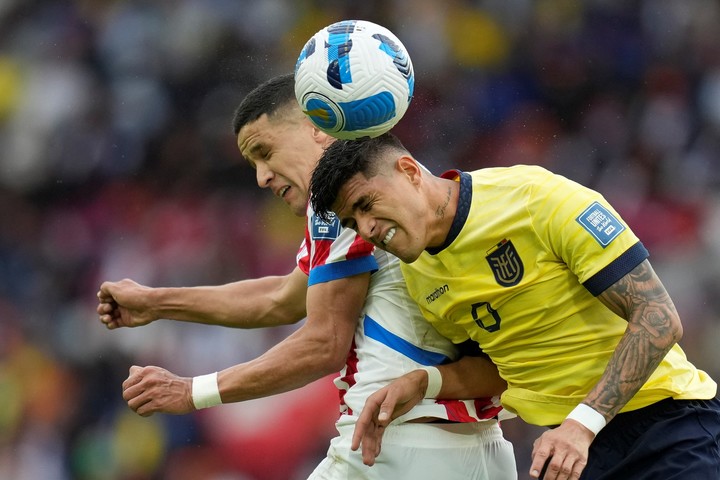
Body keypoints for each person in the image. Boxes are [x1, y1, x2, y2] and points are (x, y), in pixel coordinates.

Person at [96, 74, 517, 479]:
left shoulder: (346, 199)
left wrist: (193, 391)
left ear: (316, 127)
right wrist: (157, 303)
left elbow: (324, 342)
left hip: (399, 446)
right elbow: (283, 297)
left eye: (264, 152)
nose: (261, 176)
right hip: (469, 444)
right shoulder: (383, 184)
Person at [309, 133, 720, 480]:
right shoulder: (418, 276)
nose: (367, 229)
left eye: (365, 205)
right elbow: (501, 370)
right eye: (352, 223)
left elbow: (658, 319)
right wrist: (423, 383)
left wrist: (583, 424)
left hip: (665, 427)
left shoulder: (534, 199)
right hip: (567, 454)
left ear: (410, 172)